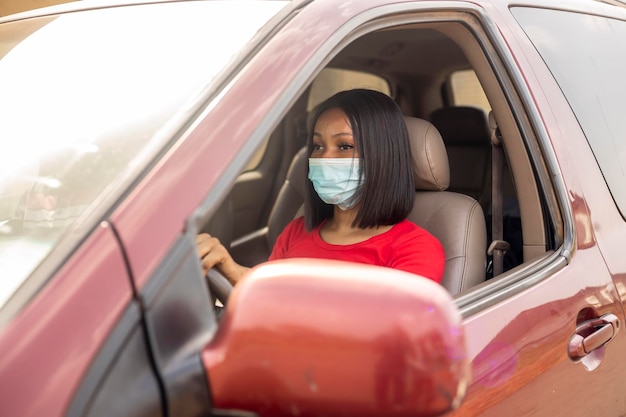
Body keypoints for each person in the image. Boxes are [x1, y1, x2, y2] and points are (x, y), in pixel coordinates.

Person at [196, 89, 444, 285]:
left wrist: (245, 280)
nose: (324, 159)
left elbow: (378, 336)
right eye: (317, 146)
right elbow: (265, 304)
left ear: (383, 156)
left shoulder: (416, 249)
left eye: (345, 147)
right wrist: (229, 272)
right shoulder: (295, 232)